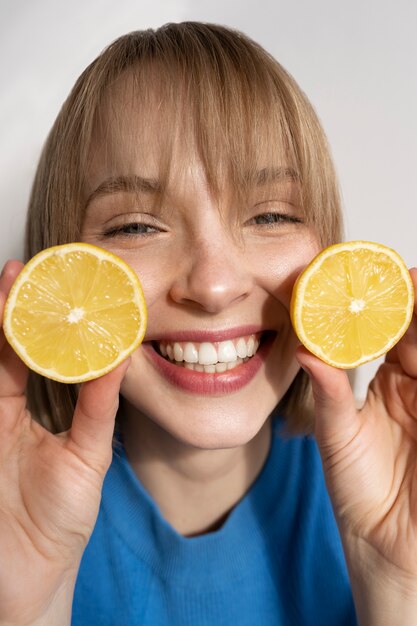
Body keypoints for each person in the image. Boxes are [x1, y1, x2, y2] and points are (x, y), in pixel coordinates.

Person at [0, 21, 416, 626]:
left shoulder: (392, 500)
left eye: (271, 214)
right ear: (64, 277)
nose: (215, 286)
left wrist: (398, 588)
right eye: (136, 226)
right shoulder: (16, 520)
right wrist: (24, 610)